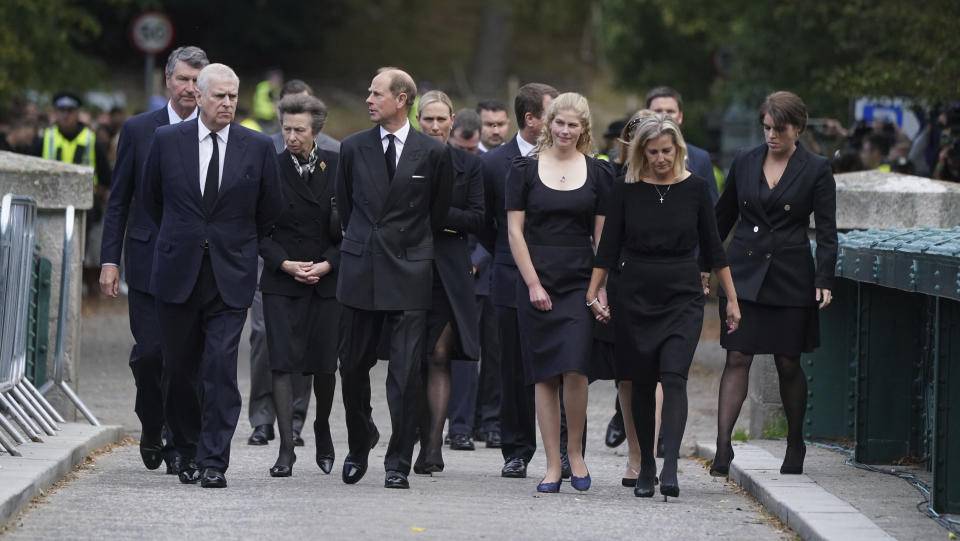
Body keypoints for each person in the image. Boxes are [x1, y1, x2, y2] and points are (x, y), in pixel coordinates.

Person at [144, 63, 284, 488]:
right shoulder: (167, 140)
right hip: (178, 270)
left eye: (233, 96)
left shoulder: (256, 147)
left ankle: (213, 461)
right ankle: (184, 449)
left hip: (230, 272)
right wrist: (182, 236)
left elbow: (270, 209)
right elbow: (152, 201)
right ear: (199, 97)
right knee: (179, 369)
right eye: (219, 96)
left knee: (221, 366)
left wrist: (237, 244)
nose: (227, 103)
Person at [588, 113, 740, 501]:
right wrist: (595, 293)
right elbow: (608, 249)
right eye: (652, 151)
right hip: (633, 293)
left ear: (678, 150)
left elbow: (714, 249)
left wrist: (732, 301)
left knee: (673, 377)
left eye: (666, 151)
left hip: (682, 293)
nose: (660, 158)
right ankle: (647, 467)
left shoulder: (697, 189)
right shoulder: (626, 190)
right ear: (642, 152)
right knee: (640, 381)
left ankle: (669, 463)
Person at [335, 67, 453, 490]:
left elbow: (436, 214)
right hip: (361, 267)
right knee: (350, 368)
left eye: (376, 93)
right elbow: (346, 209)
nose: (368, 99)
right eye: (368, 92)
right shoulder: (352, 148)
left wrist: (408, 245)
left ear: (402, 99)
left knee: (405, 373)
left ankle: (398, 460)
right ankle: (360, 438)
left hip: (409, 268)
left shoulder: (433, 153)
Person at [709, 91, 837, 478]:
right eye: (766, 127)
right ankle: (722, 446)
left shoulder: (816, 168)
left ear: (798, 127)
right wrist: (704, 265)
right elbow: (722, 217)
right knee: (737, 355)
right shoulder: (746, 160)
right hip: (743, 275)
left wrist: (824, 278)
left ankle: (795, 439)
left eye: (779, 129)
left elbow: (827, 231)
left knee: (787, 361)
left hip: (790, 275)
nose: (771, 135)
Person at [99, 45, 209, 475]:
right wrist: (110, 259)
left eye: (197, 81)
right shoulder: (139, 129)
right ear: (167, 79)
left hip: (195, 264)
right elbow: (119, 200)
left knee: (186, 360)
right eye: (182, 79)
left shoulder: (213, 130)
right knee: (151, 356)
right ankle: (152, 423)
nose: (189, 89)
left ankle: (184, 444)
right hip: (146, 262)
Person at [506, 92, 613, 493]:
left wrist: (600, 289)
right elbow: (515, 231)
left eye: (573, 125)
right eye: (559, 123)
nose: (565, 131)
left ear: (584, 129)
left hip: (580, 280)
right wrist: (532, 282)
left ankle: (576, 452)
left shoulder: (599, 173)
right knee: (544, 374)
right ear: (547, 124)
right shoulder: (524, 169)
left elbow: (603, 236)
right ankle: (552, 464)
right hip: (537, 278)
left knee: (576, 367)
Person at [248, 77, 341, 449]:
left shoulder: (336, 159)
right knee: (269, 345)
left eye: (299, 129)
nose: (291, 136)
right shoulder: (266, 157)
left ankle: (305, 423)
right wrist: (283, 263)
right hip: (277, 271)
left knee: (317, 356)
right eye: (286, 127)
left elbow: (348, 226)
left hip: (323, 274)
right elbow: (256, 224)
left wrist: (327, 264)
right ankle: (267, 423)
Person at [481, 82, 557, 479]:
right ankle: (516, 449)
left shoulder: (566, 160)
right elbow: (484, 221)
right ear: (531, 119)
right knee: (512, 366)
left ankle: (560, 448)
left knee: (559, 362)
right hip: (509, 277)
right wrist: (506, 258)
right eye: (552, 114)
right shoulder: (494, 164)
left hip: (561, 275)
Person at [410, 90, 484, 470]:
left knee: (439, 355)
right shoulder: (403, 157)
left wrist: (435, 214)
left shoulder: (468, 165)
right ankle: (413, 436)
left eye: (441, 119)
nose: (435, 126)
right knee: (412, 358)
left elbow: (477, 218)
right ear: (417, 119)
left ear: (453, 120)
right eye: (428, 119)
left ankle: (433, 444)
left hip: (450, 269)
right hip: (407, 266)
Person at [645, 86, 718, 203]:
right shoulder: (634, 155)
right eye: (657, 111)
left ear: (680, 117)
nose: (664, 116)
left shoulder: (700, 158)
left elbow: (712, 207)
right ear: (646, 115)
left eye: (670, 111)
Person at [269, 80, 341, 154]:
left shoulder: (335, 149)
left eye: (303, 103)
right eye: (287, 104)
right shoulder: (266, 146)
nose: (295, 109)